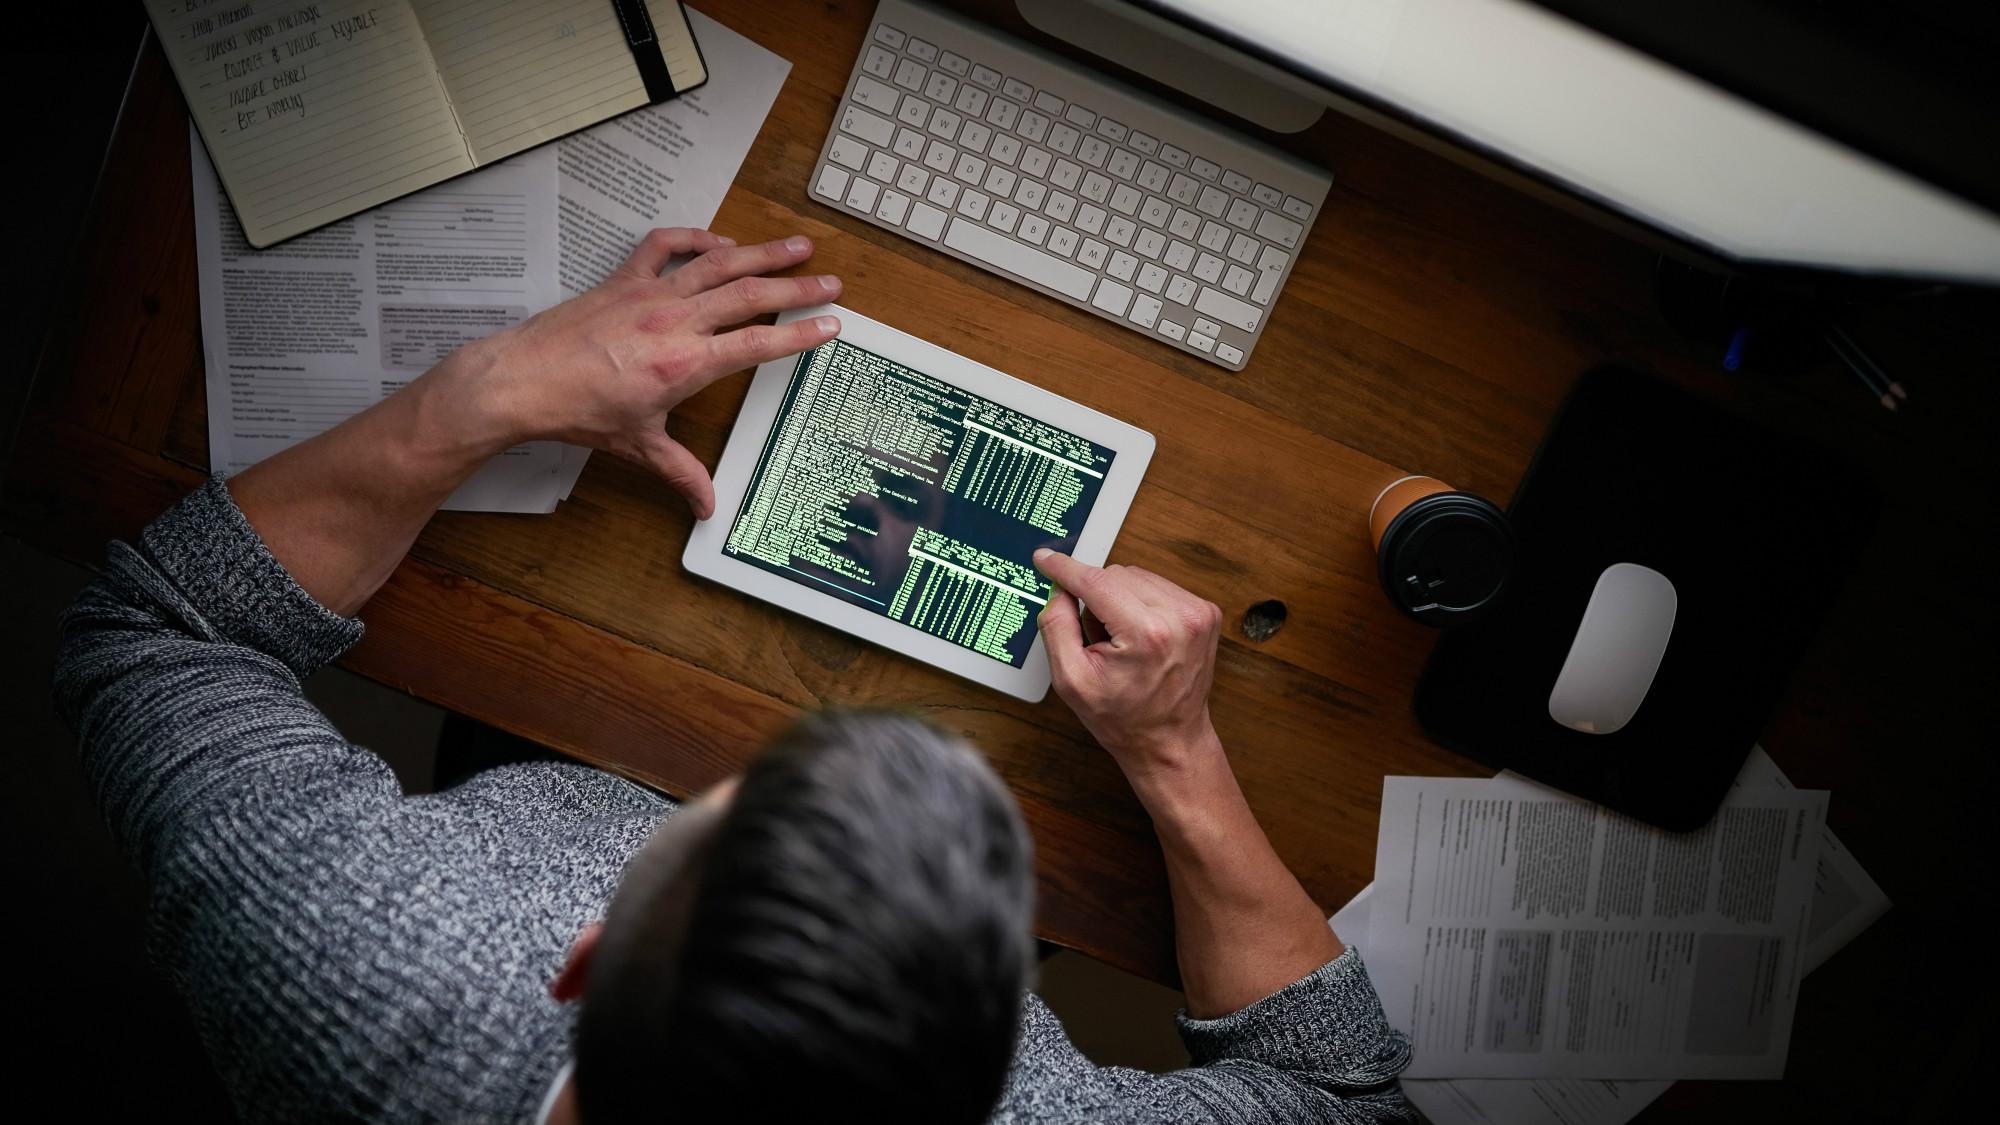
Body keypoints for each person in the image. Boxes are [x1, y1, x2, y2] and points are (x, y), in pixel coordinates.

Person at [54, 228, 1412, 1123]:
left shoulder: (355, 961)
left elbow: (157, 629)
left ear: (578, 964)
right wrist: (1175, 752)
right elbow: (1349, 1098)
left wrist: (486, 394)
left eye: (740, 810)